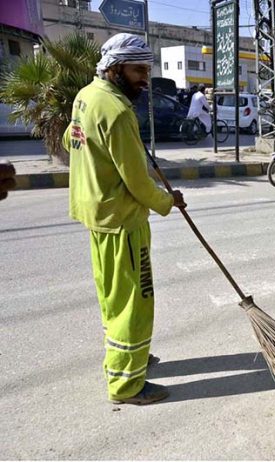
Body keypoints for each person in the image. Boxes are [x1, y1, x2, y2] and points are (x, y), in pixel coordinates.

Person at [63, 33, 186, 405]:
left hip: (96, 213)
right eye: (138, 70)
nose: (144, 79)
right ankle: (126, 383)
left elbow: (72, 141)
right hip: (122, 221)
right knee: (136, 300)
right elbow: (136, 181)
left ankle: (128, 359)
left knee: (113, 297)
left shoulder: (86, 96)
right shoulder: (116, 111)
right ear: (115, 68)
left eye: (146, 70)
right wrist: (168, 201)